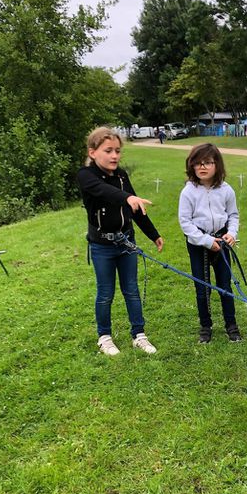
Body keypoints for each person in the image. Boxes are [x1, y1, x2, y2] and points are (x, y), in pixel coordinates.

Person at [78, 126, 164, 356]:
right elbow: (103, 191)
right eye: (108, 150)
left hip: (126, 242)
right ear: (93, 152)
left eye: (117, 150)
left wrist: (153, 234)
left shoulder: (122, 176)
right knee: (105, 293)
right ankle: (104, 337)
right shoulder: (86, 176)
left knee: (132, 290)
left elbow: (136, 210)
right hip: (101, 246)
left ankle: (139, 335)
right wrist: (127, 197)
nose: (115, 155)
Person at [178, 142, 242, 343]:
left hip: (221, 242)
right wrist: (205, 241)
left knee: (225, 285)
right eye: (197, 163)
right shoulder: (188, 192)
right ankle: (205, 327)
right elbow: (185, 223)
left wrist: (231, 233)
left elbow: (233, 215)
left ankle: (231, 325)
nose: (202, 167)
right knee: (202, 287)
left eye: (207, 162)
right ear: (191, 166)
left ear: (217, 165)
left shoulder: (226, 190)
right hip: (198, 243)